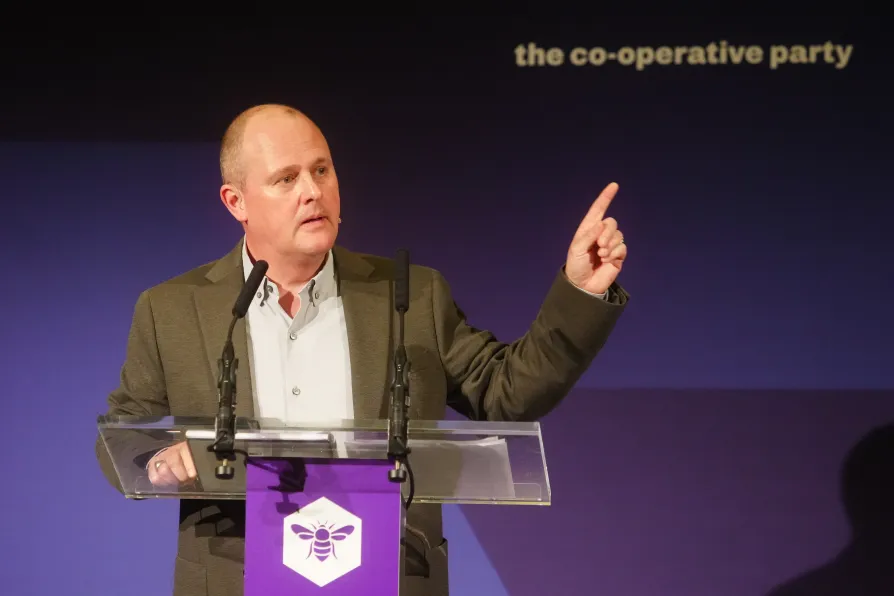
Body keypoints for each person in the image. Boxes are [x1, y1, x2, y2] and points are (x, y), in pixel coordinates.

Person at [95, 103, 630, 596]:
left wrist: (580, 293)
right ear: (236, 202)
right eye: (286, 178)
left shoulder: (411, 295)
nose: (313, 191)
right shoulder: (173, 308)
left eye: (321, 170)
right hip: (235, 579)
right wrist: (159, 458)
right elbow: (121, 433)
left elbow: (506, 394)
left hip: (387, 576)